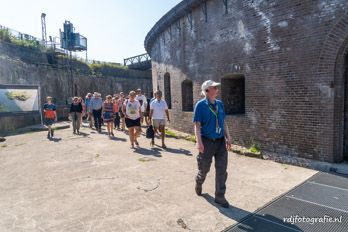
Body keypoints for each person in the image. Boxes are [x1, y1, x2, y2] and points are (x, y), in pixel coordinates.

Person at [193, 80, 232, 208]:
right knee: (204, 168)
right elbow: (197, 126)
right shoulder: (200, 105)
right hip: (207, 141)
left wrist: (228, 137)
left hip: (220, 141)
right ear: (207, 90)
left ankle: (220, 197)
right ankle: (199, 181)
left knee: (222, 170)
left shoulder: (220, 104)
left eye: (216, 87)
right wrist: (199, 142)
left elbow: (223, 122)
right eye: (214, 87)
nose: (217, 88)